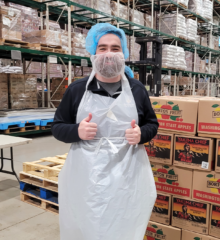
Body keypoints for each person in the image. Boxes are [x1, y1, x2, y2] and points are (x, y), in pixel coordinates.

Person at [52, 23, 158, 240]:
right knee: (86, 224)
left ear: (124, 54)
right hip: (85, 178)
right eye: (103, 48)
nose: (109, 54)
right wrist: (77, 131)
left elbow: (152, 124)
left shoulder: (137, 90)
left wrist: (141, 134)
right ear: (93, 53)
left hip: (128, 176)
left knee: (124, 224)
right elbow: (57, 127)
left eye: (115, 48)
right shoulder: (77, 90)